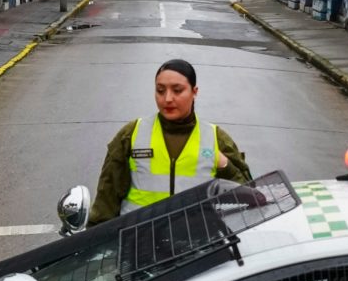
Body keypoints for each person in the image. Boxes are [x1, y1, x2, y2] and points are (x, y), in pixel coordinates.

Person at [91, 57, 252, 223]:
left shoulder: (216, 138)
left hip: (196, 237)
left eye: (177, 90)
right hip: (139, 235)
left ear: (194, 92)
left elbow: (251, 197)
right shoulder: (131, 134)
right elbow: (106, 199)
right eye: (160, 90)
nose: (167, 98)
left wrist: (225, 165)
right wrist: (96, 236)